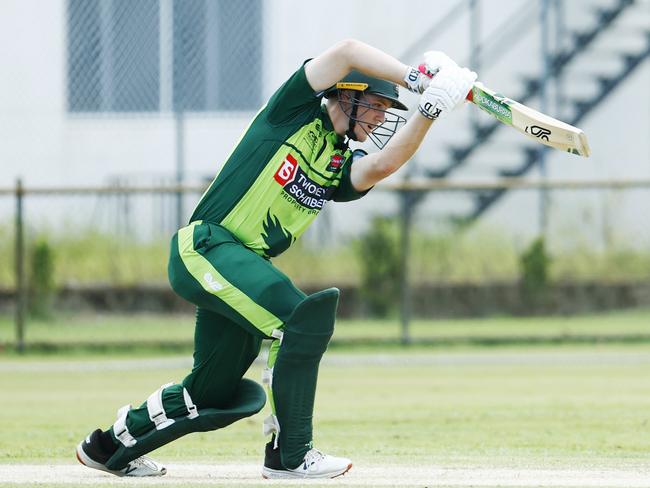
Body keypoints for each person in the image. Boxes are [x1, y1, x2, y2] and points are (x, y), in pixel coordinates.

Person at [75, 39, 476, 479]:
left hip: (242, 266)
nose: (382, 117)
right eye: (378, 105)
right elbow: (346, 51)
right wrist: (416, 79)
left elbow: (381, 166)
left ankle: (108, 445)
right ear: (347, 93)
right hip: (208, 247)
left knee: (211, 392)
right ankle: (290, 455)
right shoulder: (292, 110)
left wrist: (430, 110)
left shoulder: (340, 158)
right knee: (302, 319)